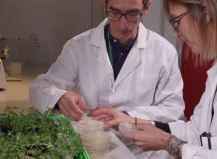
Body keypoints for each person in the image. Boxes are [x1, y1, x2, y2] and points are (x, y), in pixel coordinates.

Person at [97, 0, 217, 159]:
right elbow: (195, 131)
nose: (176, 33)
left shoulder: (164, 50)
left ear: (205, 12)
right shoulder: (213, 72)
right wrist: (134, 121)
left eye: (177, 22)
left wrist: (169, 144)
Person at [29, 0, 185, 124]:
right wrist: (59, 97)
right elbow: (39, 88)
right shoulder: (78, 46)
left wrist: (129, 117)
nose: (123, 25)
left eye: (132, 14)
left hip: (141, 151)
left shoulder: (164, 52)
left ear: (146, 7)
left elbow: (173, 110)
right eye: (115, 12)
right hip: (90, 143)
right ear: (105, 4)